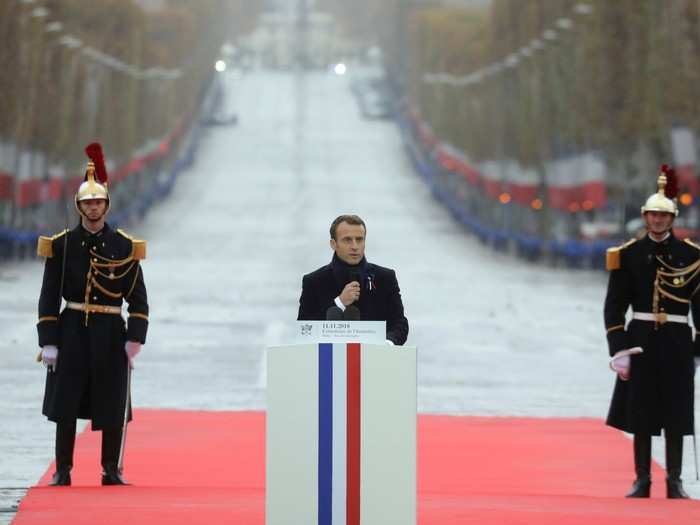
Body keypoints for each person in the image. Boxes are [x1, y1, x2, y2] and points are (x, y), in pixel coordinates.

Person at [36, 143, 149, 486]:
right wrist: (49, 342)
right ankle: (63, 470)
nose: (93, 207)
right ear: (79, 206)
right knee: (66, 403)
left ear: (106, 205)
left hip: (110, 331)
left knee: (112, 403)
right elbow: (48, 298)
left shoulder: (124, 248)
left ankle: (110, 469)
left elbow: (139, 301)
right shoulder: (61, 245)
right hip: (71, 329)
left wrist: (134, 339)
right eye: (87, 203)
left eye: (98, 201)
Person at [604, 165, 700, 499]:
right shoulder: (628, 255)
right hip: (640, 339)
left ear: (672, 219)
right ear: (645, 217)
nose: (658, 221)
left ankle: (674, 480)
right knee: (640, 412)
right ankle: (642, 479)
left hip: (676, 341)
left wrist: (698, 349)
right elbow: (614, 306)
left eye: (663, 216)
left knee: (676, 411)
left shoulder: (692, 256)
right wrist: (618, 349)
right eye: (652, 215)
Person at [297, 214, 408, 345]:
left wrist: (387, 344)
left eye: (359, 239)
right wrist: (339, 303)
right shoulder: (314, 281)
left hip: (377, 361)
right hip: (328, 362)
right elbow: (304, 330)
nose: (355, 246)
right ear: (334, 244)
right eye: (347, 240)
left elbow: (399, 323)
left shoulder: (385, 277)